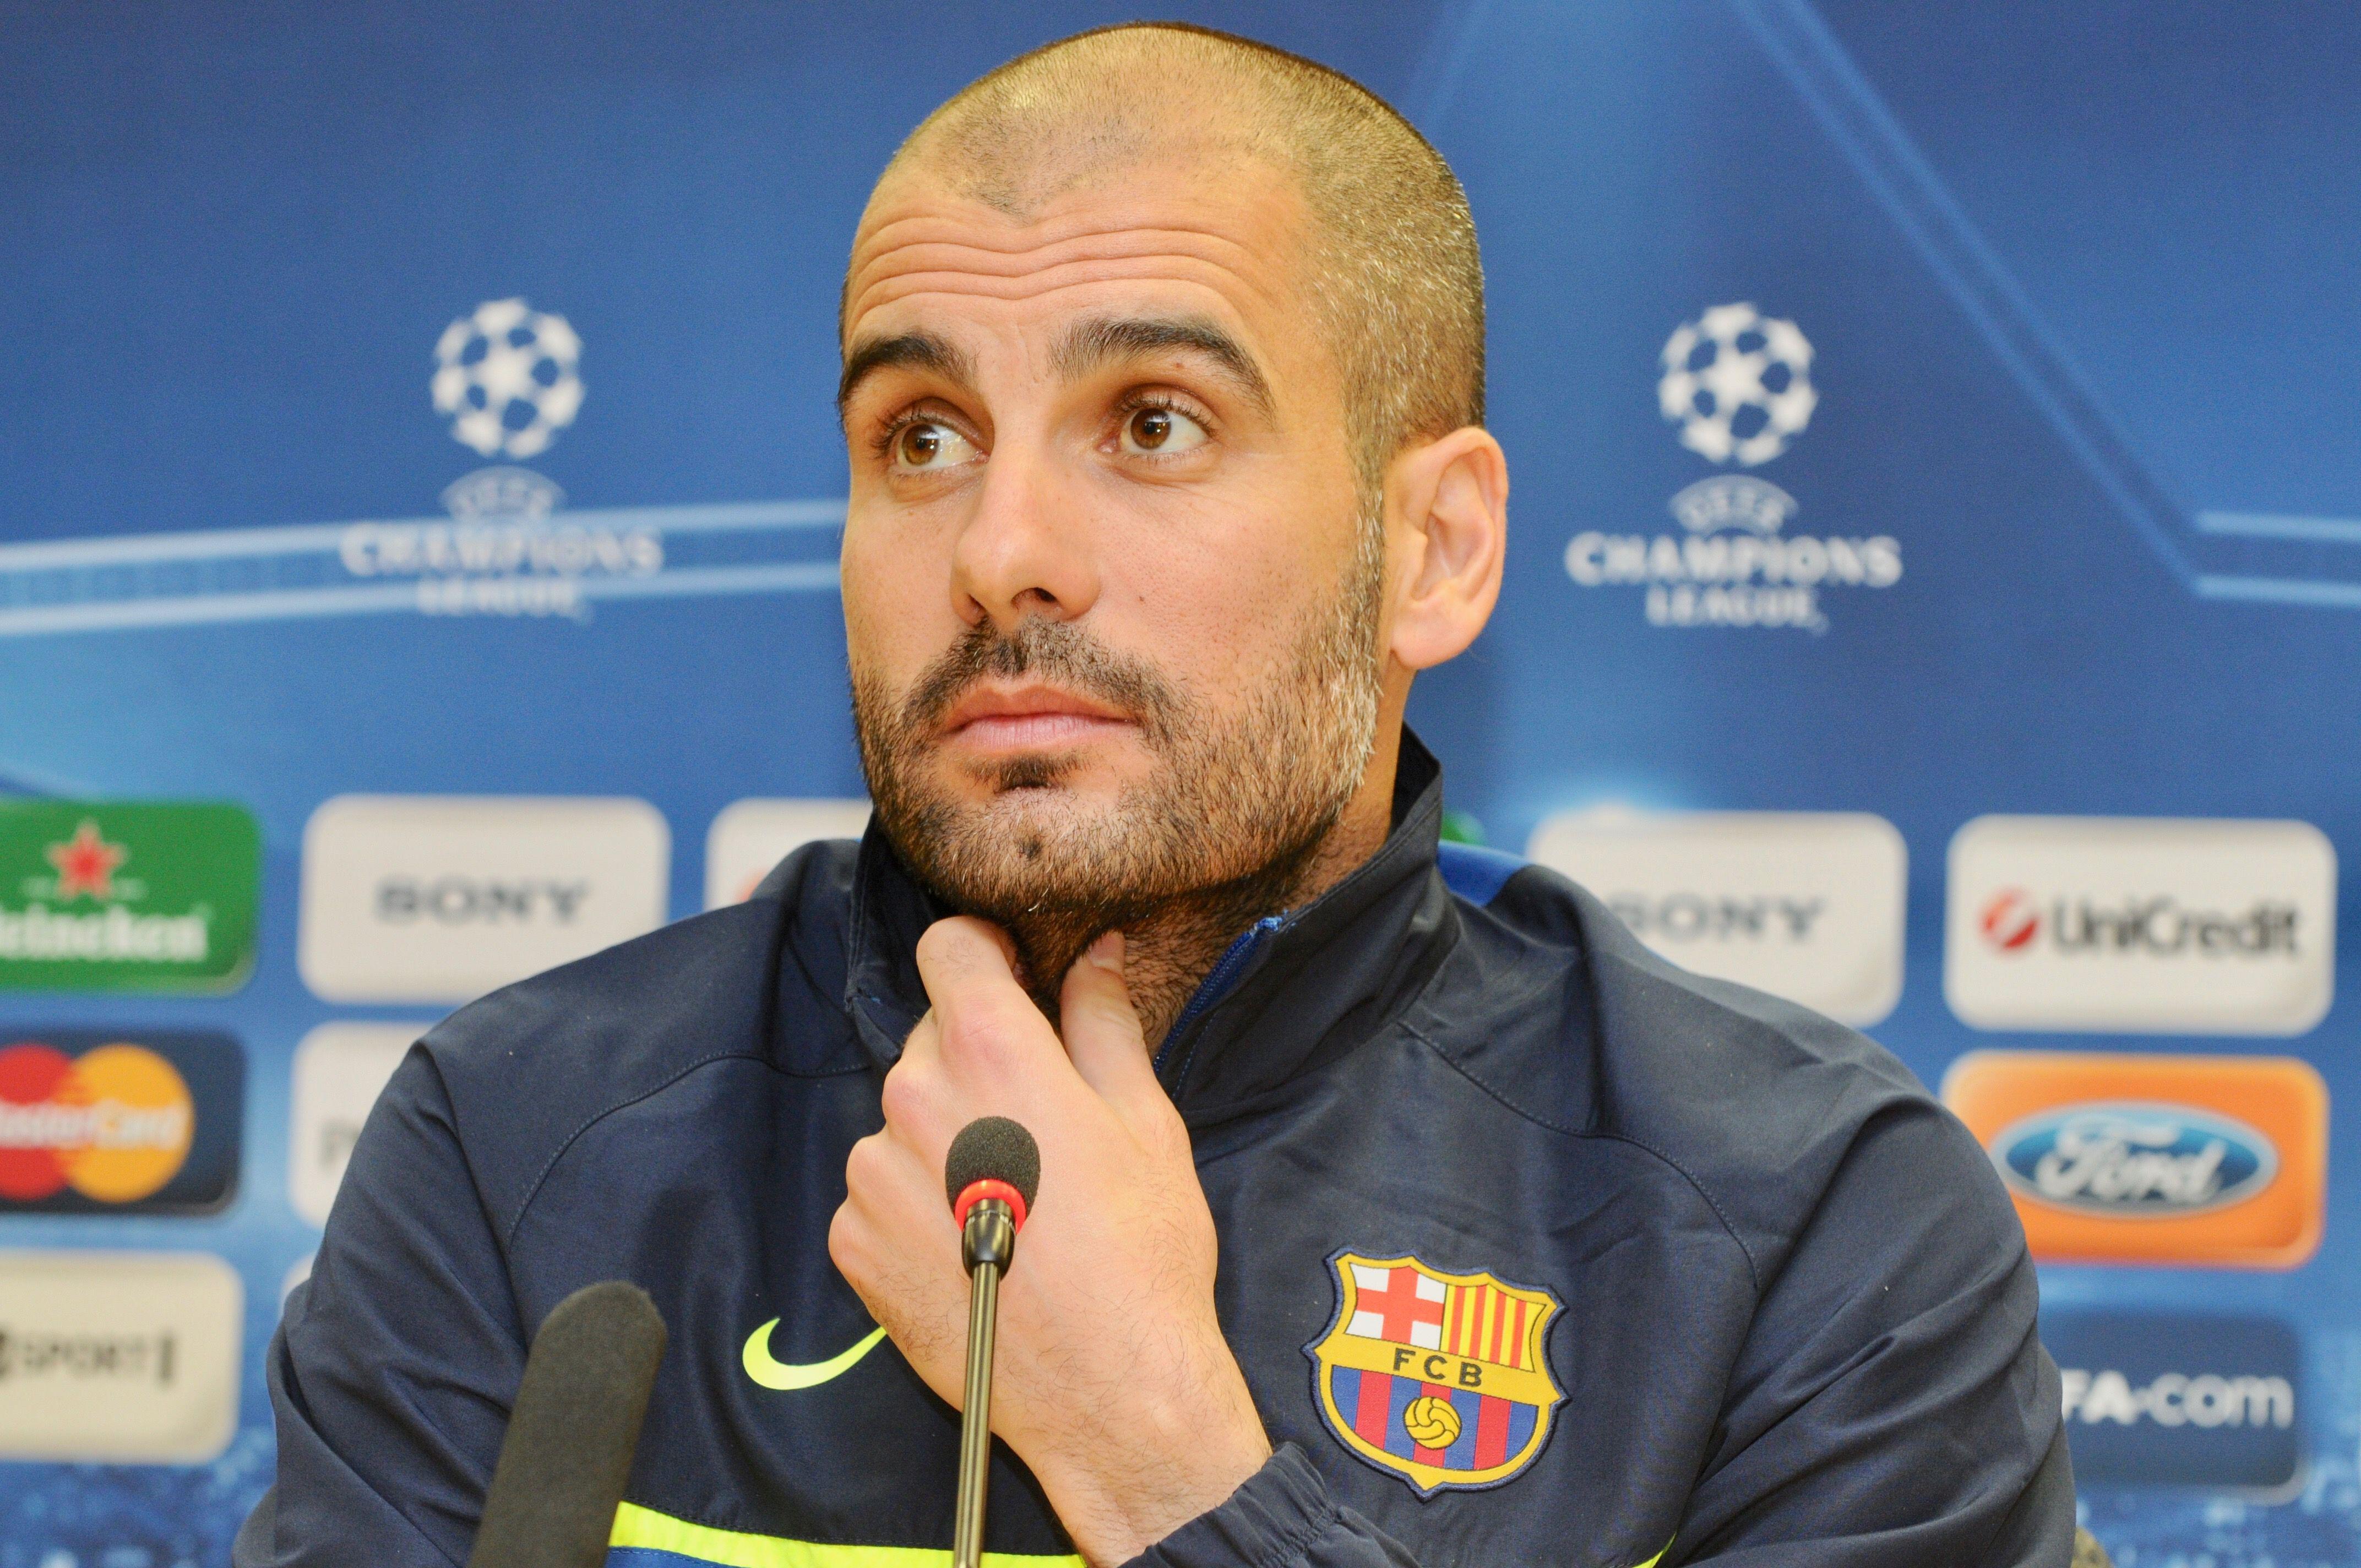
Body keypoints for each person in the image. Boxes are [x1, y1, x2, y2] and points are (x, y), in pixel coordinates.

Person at [238, 23, 2074, 1568]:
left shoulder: (1810, 1228)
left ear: (1430, 550)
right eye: (922, 439)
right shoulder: (521, 1150)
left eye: (1154, 423)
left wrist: (1164, 1462)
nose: (1002, 551)